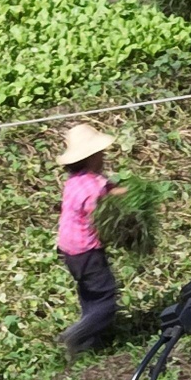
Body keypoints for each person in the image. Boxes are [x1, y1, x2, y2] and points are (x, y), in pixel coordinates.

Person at [56, 124, 126, 354]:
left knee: (89, 294)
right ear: (92, 157)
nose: (103, 157)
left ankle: (89, 345)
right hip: (87, 250)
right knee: (106, 299)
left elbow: (107, 188)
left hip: (69, 250)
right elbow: (100, 214)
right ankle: (76, 335)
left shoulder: (76, 180)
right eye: (100, 154)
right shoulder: (93, 189)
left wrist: (122, 190)